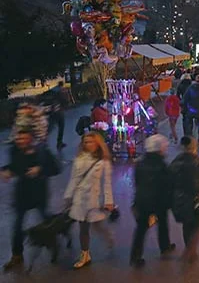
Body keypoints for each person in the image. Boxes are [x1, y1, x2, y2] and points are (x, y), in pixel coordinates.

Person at [2, 130, 60, 270]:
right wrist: (6, 171)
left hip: (39, 193)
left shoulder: (42, 151)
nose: (20, 141)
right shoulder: (15, 151)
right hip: (22, 194)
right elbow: (15, 166)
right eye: (18, 139)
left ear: (31, 138)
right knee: (17, 225)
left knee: (46, 221)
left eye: (24, 138)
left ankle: (53, 245)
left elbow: (56, 168)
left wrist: (39, 169)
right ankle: (17, 255)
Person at [63, 132, 115, 269]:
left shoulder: (104, 162)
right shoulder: (79, 159)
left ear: (98, 144)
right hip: (80, 199)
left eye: (91, 142)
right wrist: (68, 196)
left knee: (97, 225)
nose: (88, 144)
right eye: (85, 142)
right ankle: (85, 254)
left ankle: (108, 237)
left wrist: (109, 201)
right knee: (83, 227)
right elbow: (74, 179)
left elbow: (107, 183)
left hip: (95, 199)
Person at [130, 134, 176, 267]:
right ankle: (164, 246)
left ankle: (135, 256)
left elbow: (137, 182)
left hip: (142, 200)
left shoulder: (140, 163)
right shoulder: (161, 164)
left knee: (141, 229)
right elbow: (167, 184)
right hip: (159, 200)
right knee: (163, 224)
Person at [169, 136, 199, 263]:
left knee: (187, 225)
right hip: (198, 201)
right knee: (198, 226)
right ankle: (189, 250)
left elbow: (169, 183)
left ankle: (191, 251)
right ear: (195, 148)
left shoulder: (175, 162)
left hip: (180, 201)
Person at [43, 81, 68, 150]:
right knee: (61, 127)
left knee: (49, 128)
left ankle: (43, 144)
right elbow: (64, 101)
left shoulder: (52, 90)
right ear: (62, 85)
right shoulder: (60, 91)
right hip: (58, 111)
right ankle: (59, 143)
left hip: (51, 111)